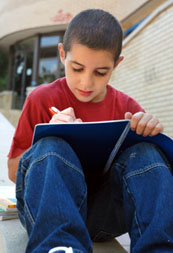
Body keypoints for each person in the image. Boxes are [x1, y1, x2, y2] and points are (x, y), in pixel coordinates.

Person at [7, 9, 173, 253]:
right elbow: (13, 172)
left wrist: (151, 133)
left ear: (116, 64)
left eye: (100, 72)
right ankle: (59, 248)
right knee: (51, 146)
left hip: (103, 216)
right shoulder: (42, 98)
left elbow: (149, 177)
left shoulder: (126, 107)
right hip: (47, 210)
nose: (86, 82)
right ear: (63, 55)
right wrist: (49, 135)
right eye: (77, 68)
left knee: (147, 152)